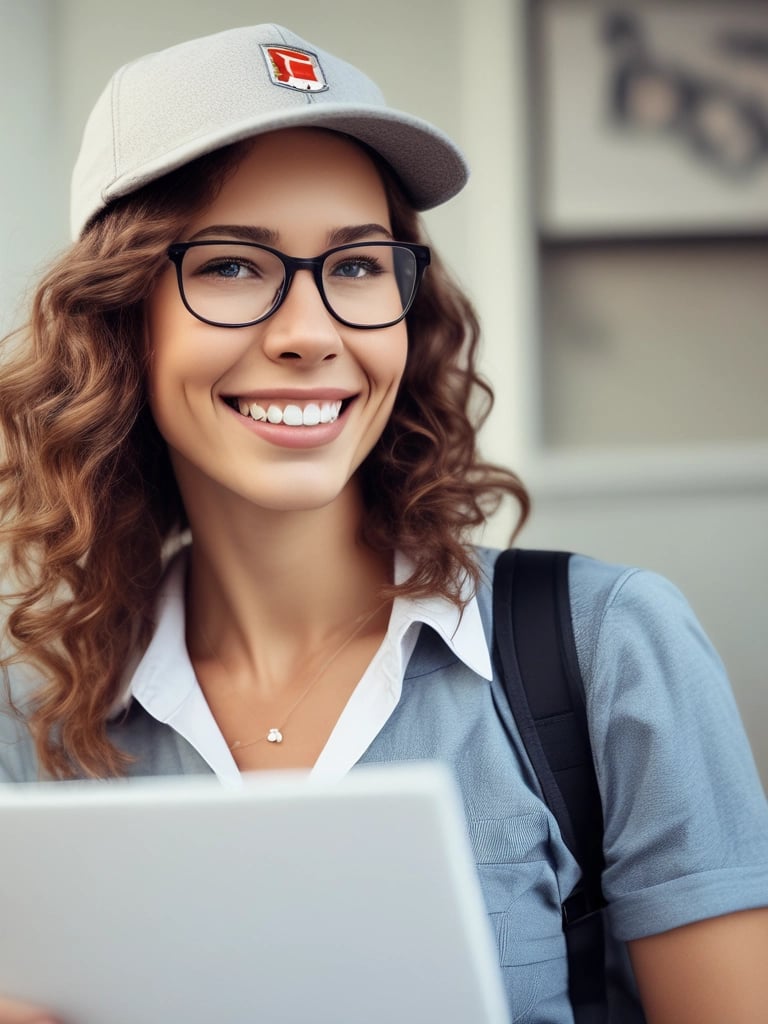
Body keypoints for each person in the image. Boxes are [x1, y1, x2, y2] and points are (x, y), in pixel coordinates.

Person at [0, 23, 766, 1024]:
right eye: (232, 266)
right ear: (118, 320)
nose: (312, 332)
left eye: (359, 265)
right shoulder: (35, 721)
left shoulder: (609, 644)